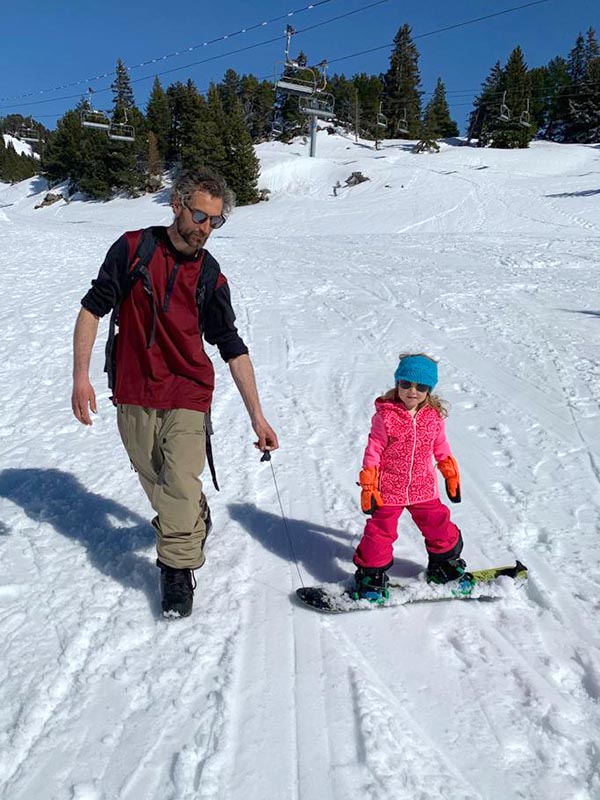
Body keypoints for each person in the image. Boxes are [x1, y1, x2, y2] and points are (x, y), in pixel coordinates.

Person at [71, 168, 278, 618]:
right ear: (177, 205)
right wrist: (80, 376)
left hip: (188, 392)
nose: (204, 229)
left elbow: (231, 346)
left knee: (179, 483)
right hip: (132, 391)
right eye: (199, 216)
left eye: (214, 222)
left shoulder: (210, 275)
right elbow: (92, 308)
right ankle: (192, 520)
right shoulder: (133, 249)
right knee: (157, 481)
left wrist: (256, 417)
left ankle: (177, 570)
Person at [353, 353, 468, 602]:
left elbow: (441, 447)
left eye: (420, 386)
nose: (412, 391)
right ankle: (371, 576)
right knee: (380, 532)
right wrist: (369, 485)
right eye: (405, 384)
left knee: (438, 524)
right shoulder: (386, 416)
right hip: (389, 489)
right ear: (398, 383)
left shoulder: (434, 418)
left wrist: (449, 473)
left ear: (429, 389)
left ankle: (443, 565)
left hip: (423, 487)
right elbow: (373, 449)